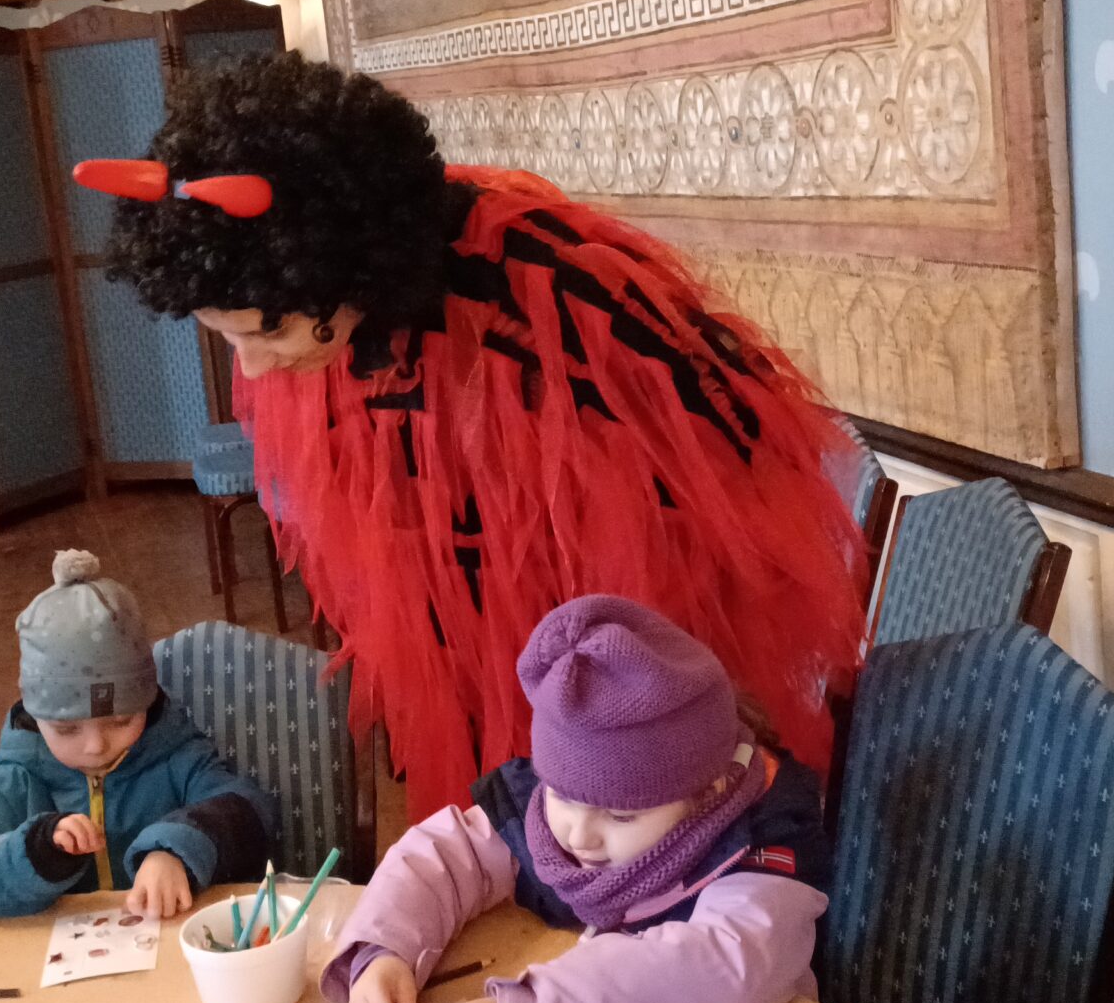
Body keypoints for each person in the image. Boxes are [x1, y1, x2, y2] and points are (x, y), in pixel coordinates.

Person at [86, 53, 866, 818]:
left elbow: (731, 434)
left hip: (624, 626)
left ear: (346, 270)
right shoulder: (308, 326)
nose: (254, 369)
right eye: (227, 339)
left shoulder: (553, 289)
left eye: (269, 331)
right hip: (462, 632)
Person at [319, 596, 830, 1003]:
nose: (578, 835)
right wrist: (381, 950)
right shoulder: (549, 807)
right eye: (561, 795)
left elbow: (725, 969)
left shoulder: (763, 843)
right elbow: (448, 855)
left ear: (707, 793)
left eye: (621, 815)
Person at [0, 550, 275, 919]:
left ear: (147, 703)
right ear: (35, 717)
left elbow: (250, 810)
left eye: (121, 721)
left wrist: (174, 849)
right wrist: (35, 852)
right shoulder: (21, 777)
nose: (96, 746)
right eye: (67, 728)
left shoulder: (177, 754)